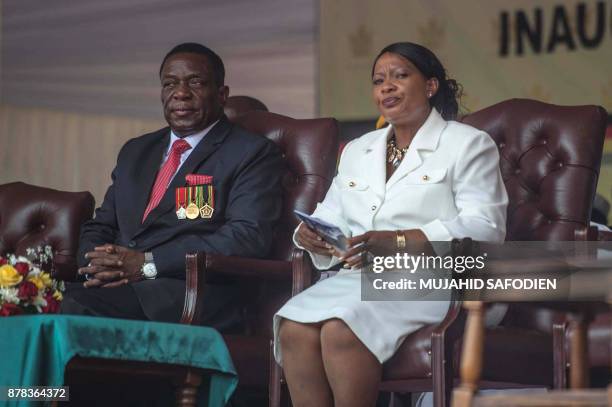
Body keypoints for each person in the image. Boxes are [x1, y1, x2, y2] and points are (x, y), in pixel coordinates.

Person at [273, 42, 508, 407]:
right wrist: (312, 235)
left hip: (432, 279)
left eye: (400, 76)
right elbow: (331, 215)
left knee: (340, 328)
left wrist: (400, 241)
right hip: (357, 280)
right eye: (379, 80)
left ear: (430, 86)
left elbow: (485, 227)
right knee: (292, 328)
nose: (387, 87)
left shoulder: (467, 144)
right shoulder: (357, 150)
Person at [60, 43, 284, 327]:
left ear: (222, 94)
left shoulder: (249, 152)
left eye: (196, 82)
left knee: (76, 307)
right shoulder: (137, 151)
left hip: (187, 291)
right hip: (118, 285)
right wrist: (98, 264)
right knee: (30, 301)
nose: (180, 93)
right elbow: (102, 224)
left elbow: (246, 237)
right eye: (170, 84)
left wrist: (146, 265)